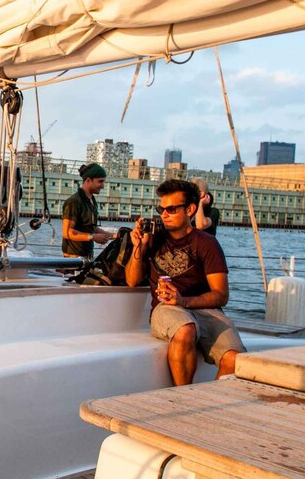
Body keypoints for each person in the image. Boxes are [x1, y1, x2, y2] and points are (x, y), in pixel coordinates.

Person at [125, 179, 245, 386]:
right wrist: (139, 247)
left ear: (190, 209)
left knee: (235, 359)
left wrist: (184, 300)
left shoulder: (207, 243)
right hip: (166, 308)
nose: (164, 214)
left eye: (171, 209)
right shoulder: (152, 238)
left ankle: (210, 408)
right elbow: (132, 281)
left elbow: (221, 295)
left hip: (204, 309)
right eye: (161, 209)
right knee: (186, 329)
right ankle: (183, 397)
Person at [62, 163, 114, 258]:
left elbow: (92, 228)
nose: (103, 186)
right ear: (88, 180)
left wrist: (115, 236)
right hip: (73, 259)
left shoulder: (92, 201)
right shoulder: (73, 202)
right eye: (100, 181)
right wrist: (93, 237)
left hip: (87, 257)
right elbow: (67, 232)